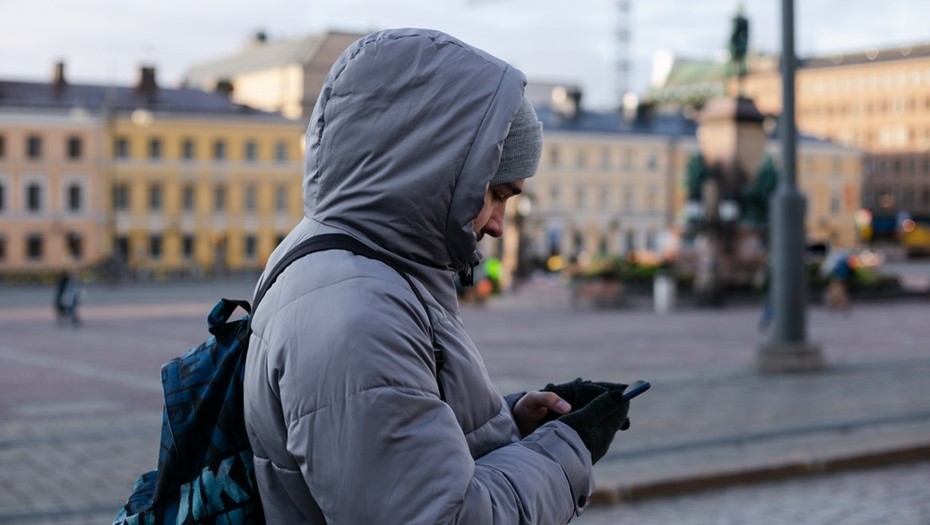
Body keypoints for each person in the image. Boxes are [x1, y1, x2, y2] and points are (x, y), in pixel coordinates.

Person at [243, 28, 633, 524]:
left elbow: (391, 450)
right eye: (496, 193)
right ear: (437, 170)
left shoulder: (342, 262)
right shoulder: (359, 316)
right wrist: (566, 449)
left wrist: (513, 425)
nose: (497, 223)